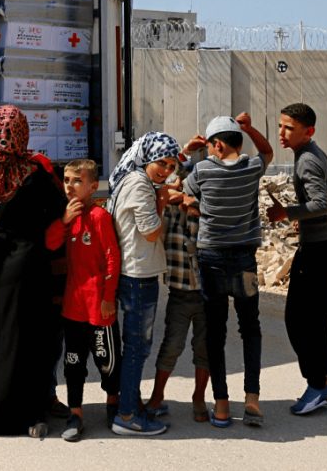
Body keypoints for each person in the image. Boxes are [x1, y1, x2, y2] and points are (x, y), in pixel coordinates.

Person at [0, 105, 67, 439]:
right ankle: (27, 415)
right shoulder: (34, 172)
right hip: (27, 263)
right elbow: (58, 210)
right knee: (26, 340)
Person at [184, 113, 273, 427]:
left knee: (216, 331)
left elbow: (182, 190)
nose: (207, 151)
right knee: (250, 328)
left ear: (218, 145)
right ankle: (252, 399)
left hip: (212, 261)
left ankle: (221, 405)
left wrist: (186, 152)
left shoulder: (203, 170)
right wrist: (249, 128)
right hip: (245, 262)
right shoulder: (251, 168)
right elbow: (268, 151)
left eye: (209, 146)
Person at [265, 102, 327, 416]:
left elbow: (321, 203)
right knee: (315, 322)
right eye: (281, 126)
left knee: (298, 321)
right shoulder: (312, 154)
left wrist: (287, 213)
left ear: (308, 131)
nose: (282, 133)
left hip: (317, 251)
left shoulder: (307, 160)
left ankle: (317, 385)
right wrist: (302, 217)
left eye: (290, 128)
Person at [108, 131, 181, 436]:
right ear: (148, 158)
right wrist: (162, 203)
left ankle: (130, 402)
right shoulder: (140, 184)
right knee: (137, 347)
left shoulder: (135, 179)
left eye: (171, 166)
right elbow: (150, 232)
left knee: (136, 346)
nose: (166, 170)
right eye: (161, 163)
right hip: (138, 275)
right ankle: (126, 415)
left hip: (135, 272)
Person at [44, 159, 121, 442]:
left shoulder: (99, 216)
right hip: (73, 307)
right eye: (66, 180)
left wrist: (108, 297)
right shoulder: (67, 216)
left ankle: (114, 403)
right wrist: (64, 220)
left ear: (93, 186)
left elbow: (112, 258)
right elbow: (51, 243)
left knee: (107, 361)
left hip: (99, 306)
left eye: (77, 180)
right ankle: (75, 413)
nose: (70, 186)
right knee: (73, 363)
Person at [143, 174, 210, 424]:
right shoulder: (168, 213)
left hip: (207, 295)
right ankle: (157, 396)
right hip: (179, 293)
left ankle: (199, 397)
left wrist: (197, 207)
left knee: (205, 348)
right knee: (171, 346)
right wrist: (170, 199)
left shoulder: (206, 212)